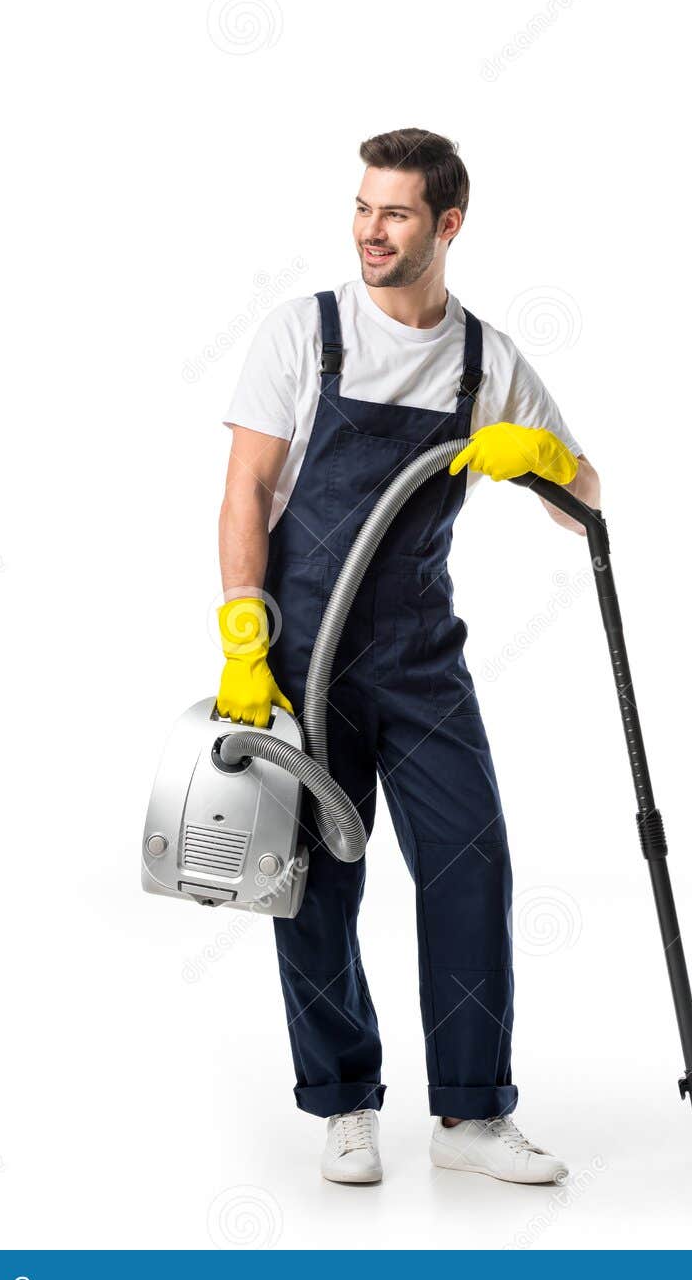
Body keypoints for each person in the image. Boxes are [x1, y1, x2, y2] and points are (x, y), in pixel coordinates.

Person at [218, 129, 600, 1186]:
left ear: (447, 224)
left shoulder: (487, 360)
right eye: (360, 207)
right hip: (305, 649)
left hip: (423, 656)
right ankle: (345, 1101)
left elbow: (590, 504)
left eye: (393, 213)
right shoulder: (308, 332)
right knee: (314, 881)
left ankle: (470, 1115)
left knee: (470, 862)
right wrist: (244, 634)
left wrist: (545, 458)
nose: (369, 231)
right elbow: (247, 487)